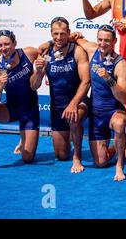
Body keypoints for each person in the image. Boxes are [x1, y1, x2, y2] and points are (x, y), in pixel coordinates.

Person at [30, 17, 90, 173]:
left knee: (73, 117)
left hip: (79, 102)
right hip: (57, 107)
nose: (58, 37)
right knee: (61, 155)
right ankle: (69, 136)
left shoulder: (77, 51)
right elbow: (34, 85)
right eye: (55, 34)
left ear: (69, 33)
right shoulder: (45, 53)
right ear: (50, 33)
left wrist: (73, 104)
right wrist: (38, 71)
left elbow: (86, 81)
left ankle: (77, 156)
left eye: (63, 34)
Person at [72, 24, 126, 181]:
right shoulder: (92, 50)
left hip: (113, 111)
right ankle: (114, 148)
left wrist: (109, 79)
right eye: (100, 40)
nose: (103, 44)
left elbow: (124, 98)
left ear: (115, 41)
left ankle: (119, 165)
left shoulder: (120, 64)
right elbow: (74, 39)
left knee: (119, 124)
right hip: (96, 114)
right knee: (101, 162)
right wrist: (76, 35)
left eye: (107, 41)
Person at [0, 30, 40, 175]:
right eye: (0, 45)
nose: (4, 48)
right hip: (11, 109)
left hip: (30, 110)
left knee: (27, 158)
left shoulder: (28, 53)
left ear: (15, 44)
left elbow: (45, 50)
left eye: (7, 44)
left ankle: (23, 137)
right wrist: (1, 86)